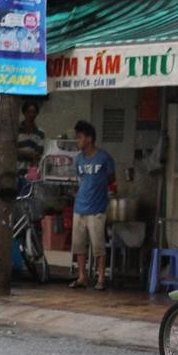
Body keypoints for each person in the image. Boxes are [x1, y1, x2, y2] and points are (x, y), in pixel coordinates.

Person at [69, 120, 115, 290]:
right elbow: (79, 180)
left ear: (89, 139)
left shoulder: (104, 158)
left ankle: (101, 277)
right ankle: (82, 276)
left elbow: (111, 178)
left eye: (80, 137)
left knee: (98, 245)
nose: (77, 141)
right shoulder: (79, 159)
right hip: (79, 207)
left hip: (97, 209)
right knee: (79, 245)